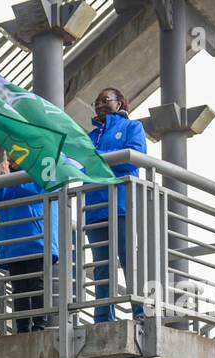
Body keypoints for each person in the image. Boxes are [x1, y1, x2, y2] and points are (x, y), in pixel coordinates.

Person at [85, 87, 146, 323]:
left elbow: (133, 156)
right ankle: (102, 316)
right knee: (102, 266)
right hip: (93, 208)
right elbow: (81, 163)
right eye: (96, 102)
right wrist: (104, 159)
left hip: (122, 205)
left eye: (104, 100)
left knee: (128, 260)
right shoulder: (89, 136)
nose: (99, 105)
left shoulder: (132, 127)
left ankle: (140, 312)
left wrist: (98, 158)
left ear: (120, 103)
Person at [0, 157, 58, 332]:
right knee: (19, 288)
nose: (11, 159)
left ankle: (40, 326)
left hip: (36, 239)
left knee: (37, 285)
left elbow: (42, 188)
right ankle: (22, 328)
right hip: (13, 241)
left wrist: (7, 183)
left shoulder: (42, 165)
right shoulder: (8, 175)